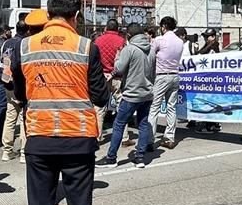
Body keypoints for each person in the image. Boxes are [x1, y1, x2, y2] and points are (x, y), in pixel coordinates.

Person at [11, 0, 109, 205]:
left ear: (48, 13)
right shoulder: (85, 47)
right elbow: (100, 96)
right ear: (76, 16)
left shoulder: (25, 47)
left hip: (39, 141)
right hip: (78, 141)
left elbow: (20, 92)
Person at [96, 23, 155, 168]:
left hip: (131, 93)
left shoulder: (129, 49)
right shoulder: (151, 50)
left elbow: (119, 69)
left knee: (118, 124)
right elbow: (153, 72)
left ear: (129, 35)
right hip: (147, 93)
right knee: (142, 124)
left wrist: (117, 58)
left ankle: (111, 158)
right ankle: (140, 157)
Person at [0, 9, 48, 162]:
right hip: (22, 84)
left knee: (10, 117)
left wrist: (6, 82)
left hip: (8, 83)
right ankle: (22, 152)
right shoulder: (25, 44)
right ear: (27, 29)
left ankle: (6, 151)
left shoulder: (6, 43)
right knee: (24, 118)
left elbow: (4, 64)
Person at [148, 16, 184, 149]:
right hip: (175, 75)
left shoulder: (159, 40)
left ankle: (149, 139)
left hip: (161, 76)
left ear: (163, 26)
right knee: (171, 107)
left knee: (154, 107)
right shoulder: (180, 42)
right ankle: (169, 137)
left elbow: (150, 58)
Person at [93, 19, 126, 138]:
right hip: (117, 77)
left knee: (100, 107)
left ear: (106, 28)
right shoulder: (122, 41)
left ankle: (97, 136)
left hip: (102, 76)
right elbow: (123, 60)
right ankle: (124, 136)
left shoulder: (98, 40)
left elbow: (94, 59)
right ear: (117, 29)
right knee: (121, 105)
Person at [189, 28, 223, 134]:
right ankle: (213, 124)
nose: (205, 38)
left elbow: (202, 54)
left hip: (211, 78)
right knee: (209, 100)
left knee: (209, 101)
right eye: (204, 36)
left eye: (207, 36)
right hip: (207, 77)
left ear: (213, 36)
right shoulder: (208, 45)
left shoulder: (214, 45)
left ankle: (210, 126)